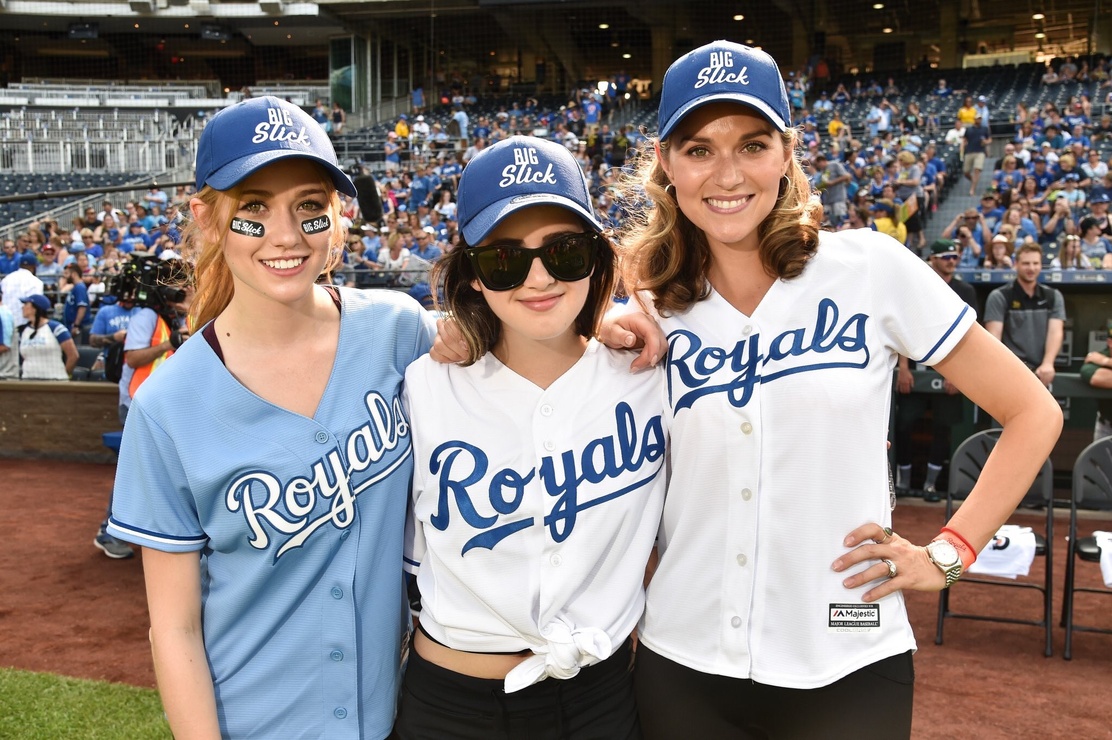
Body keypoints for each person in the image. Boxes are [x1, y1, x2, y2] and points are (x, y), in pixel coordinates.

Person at [601, 41, 1061, 738]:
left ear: (787, 152)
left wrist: (949, 555)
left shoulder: (868, 268)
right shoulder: (648, 309)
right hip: (684, 661)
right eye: (698, 149)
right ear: (666, 162)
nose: (727, 174)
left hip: (847, 650)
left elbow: (1032, 411)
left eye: (752, 145)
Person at [104, 96, 436, 739]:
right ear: (207, 219)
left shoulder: (399, 331)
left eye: (309, 206)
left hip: (394, 715)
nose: (286, 236)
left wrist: (605, 326)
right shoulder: (167, 405)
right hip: (254, 722)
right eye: (253, 208)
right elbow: (173, 627)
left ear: (336, 219)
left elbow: (507, 337)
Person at [395, 135, 665, 739]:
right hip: (453, 707)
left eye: (564, 252)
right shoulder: (423, 385)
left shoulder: (650, 374)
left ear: (595, 256)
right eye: (504, 260)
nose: (539, 278)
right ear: (471, 275)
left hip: (602, 696)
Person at [893, 240, 981, 502]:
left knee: (944, 427)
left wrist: (957, 374)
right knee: (904, 423)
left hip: (950, 368)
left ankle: (931, 485)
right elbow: (903, 327)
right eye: (945, 256)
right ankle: (903, 481)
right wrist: (903, 367)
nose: (951, 261)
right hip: (917, 364)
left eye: (955, 257)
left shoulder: (965, 290)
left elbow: (968, 335)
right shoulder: (918, 286)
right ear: (932, 259)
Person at [985, 243, 1065, 388]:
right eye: (1026, 263)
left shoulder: (1053, 296)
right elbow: (993, 337)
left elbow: (1056, 332)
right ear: (1016, 264)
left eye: (1036, 263)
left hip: (1042, 370)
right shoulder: (999, 296)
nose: (1031, 268)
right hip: (1010, 371)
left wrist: (1048, 363)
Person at [19, 293, 78, 380]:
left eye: (26, 304)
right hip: (28, 381)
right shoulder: (24, 331)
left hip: (53, 380)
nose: (22, 307)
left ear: (35, 308)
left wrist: (63, 377)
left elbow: (73, 355)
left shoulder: (56, 328)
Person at [1079, 319, 1112, 440]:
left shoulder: (1102, 359)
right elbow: (1094, 376)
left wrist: (1106, 362)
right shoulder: (1098, 356)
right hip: (1107, 423)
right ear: (1110, 342)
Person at [962, 114, 992, 196]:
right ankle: (974, 181)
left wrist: (986, 142)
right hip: (969, 151)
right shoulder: (969, 129)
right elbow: (964, 139)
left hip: (980, 151)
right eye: (977, 119)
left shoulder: (984, 129)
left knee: (977, 170)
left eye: (980, 119)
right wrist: (962, 148)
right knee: (966, 172)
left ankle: (972, 189)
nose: (979, 120)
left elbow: (989, 139)